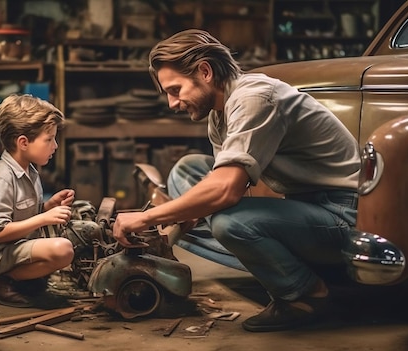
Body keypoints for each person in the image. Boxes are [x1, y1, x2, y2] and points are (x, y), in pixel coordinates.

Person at [112, 29, 360, 332]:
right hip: (302, 205)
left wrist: (146, 217)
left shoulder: (255, 98)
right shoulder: (219, 114)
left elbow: (227, 190)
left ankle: (305, 294)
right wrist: (182, 215)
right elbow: (222, 181)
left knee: (230, 222)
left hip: (342, 216)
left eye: (175, 90)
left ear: (205, 71)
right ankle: (280, 260)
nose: (172, 104)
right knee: (187, 172)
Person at [0, 94, 75, 308]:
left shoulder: (30, 171)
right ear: (23, 142)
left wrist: (48, 207)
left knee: (71, 245)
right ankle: (1, 281)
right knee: (63, 249)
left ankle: (24, 280)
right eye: (49, 139)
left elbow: (22, 216)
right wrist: (44, 218)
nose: (55, 146)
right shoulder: (1, 178)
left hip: (16, 247)